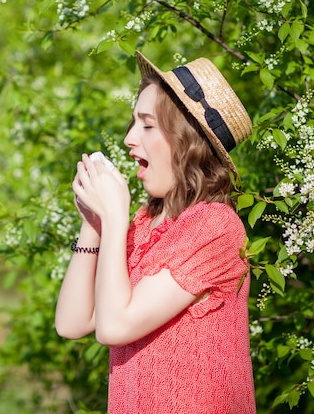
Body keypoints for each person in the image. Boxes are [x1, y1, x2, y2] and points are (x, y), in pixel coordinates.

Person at [54, 51, 257, 414]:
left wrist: (115, 218)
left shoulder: (215, 226)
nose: (130, 138)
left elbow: (115, 327)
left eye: (147, 125)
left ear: (186, 140)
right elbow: (73, 322)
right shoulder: (147, 223)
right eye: (134, 122)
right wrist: (93, 224)